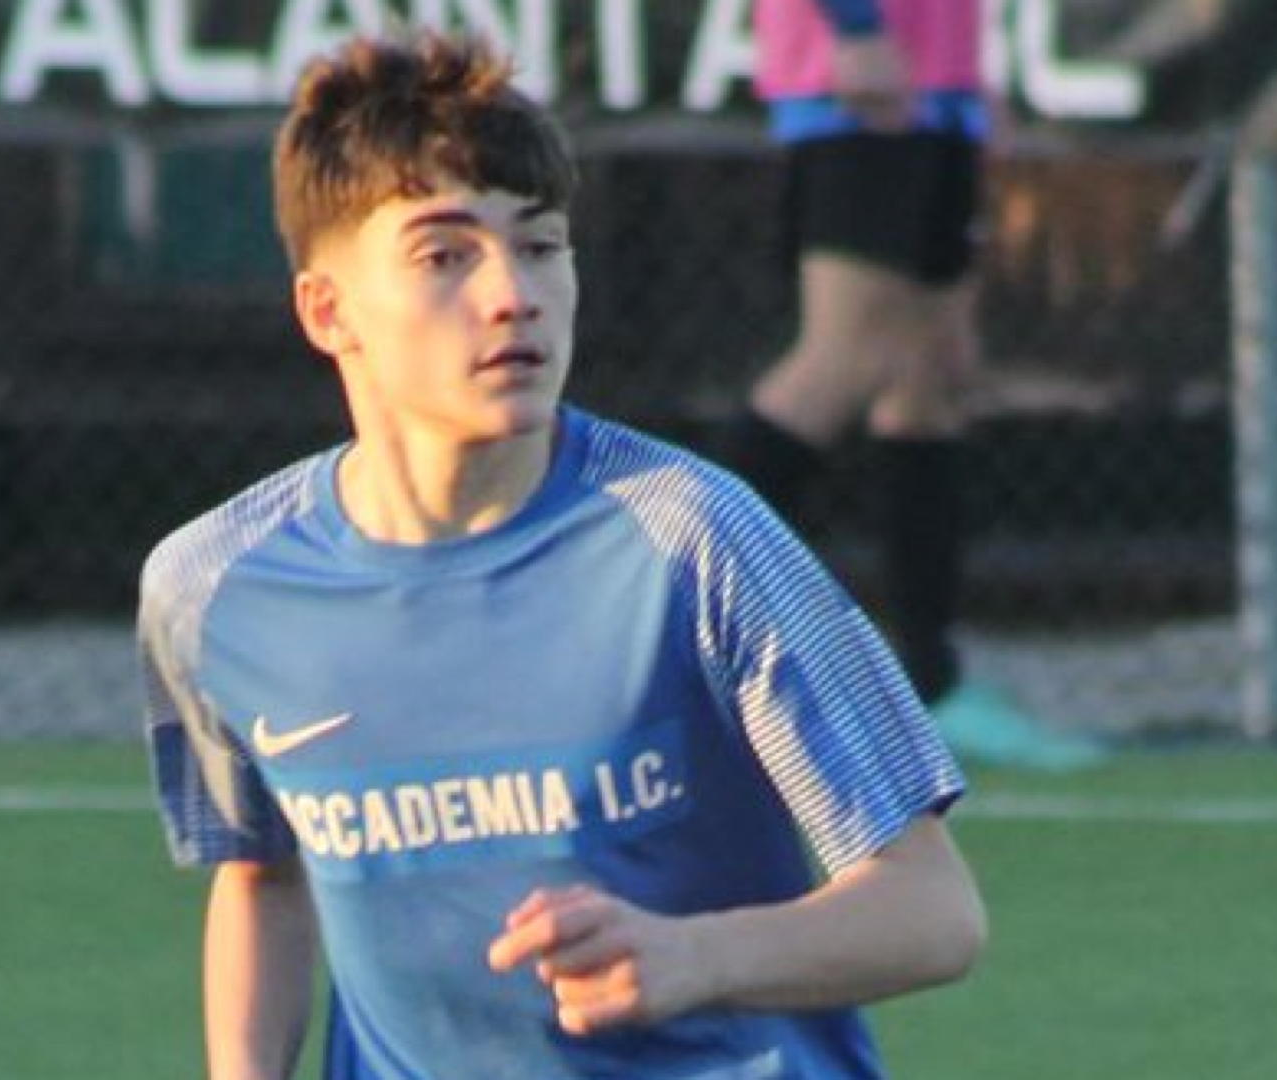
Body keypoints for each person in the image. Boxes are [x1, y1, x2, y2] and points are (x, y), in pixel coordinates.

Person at [138, 30, 984, 1080]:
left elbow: (933, 910)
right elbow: (262, 876)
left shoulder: (695, 538)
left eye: (539, 246)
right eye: (445, 256)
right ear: (328, 310)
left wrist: (696, 956)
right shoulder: (215, 588)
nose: (512, 294)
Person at [716, 0, 1103, 769]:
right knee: (843, 359)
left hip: (934, 91)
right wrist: (857, 28)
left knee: (934, 373)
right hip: (856, 90)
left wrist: (964, 77)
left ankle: (931, 686)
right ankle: (657, 620)